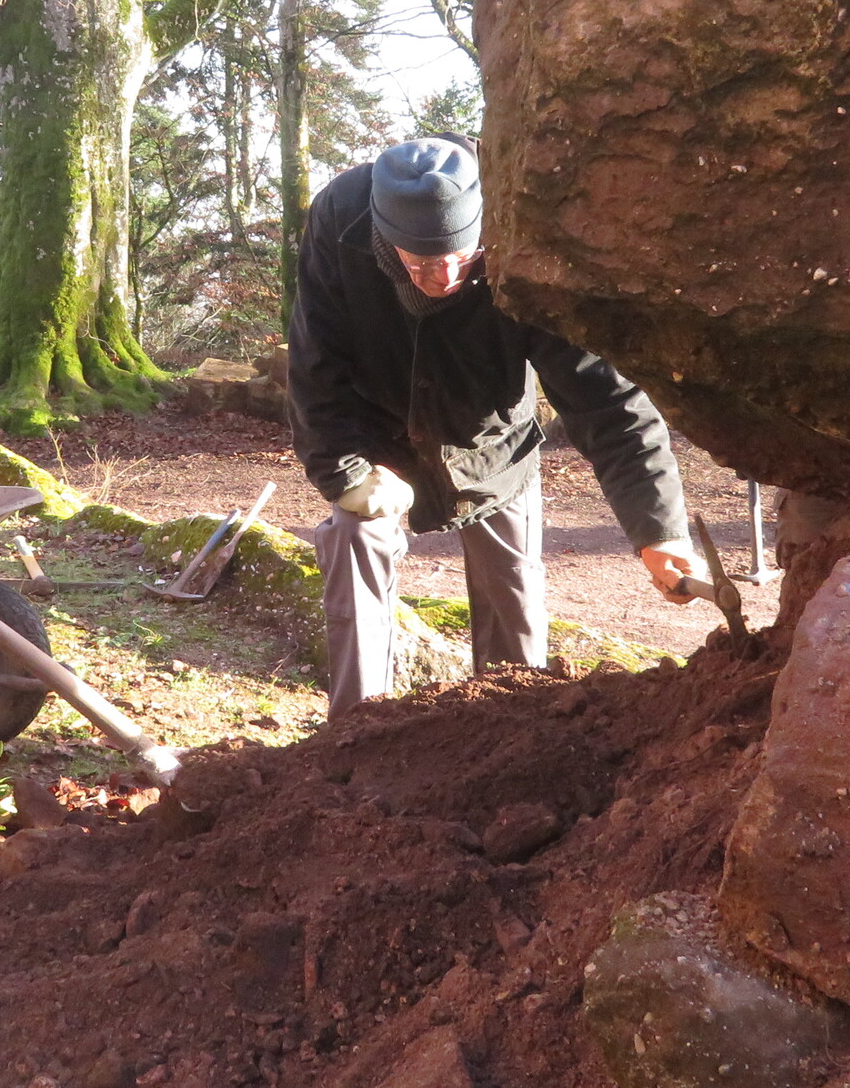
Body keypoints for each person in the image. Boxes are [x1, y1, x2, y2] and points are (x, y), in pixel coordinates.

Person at [286, 136, 707, 718]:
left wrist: (660, 531)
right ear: (384, 236)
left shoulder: (530, 226)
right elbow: (314, 362)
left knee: (514, 610)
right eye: (421, 263)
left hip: (494, 441)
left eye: (462, 257)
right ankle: (355, 730)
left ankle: (520, 730)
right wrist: (346, 475)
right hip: (378, 435)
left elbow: (608, 401)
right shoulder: (340, 218)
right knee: (355, 540)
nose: (444, 276)